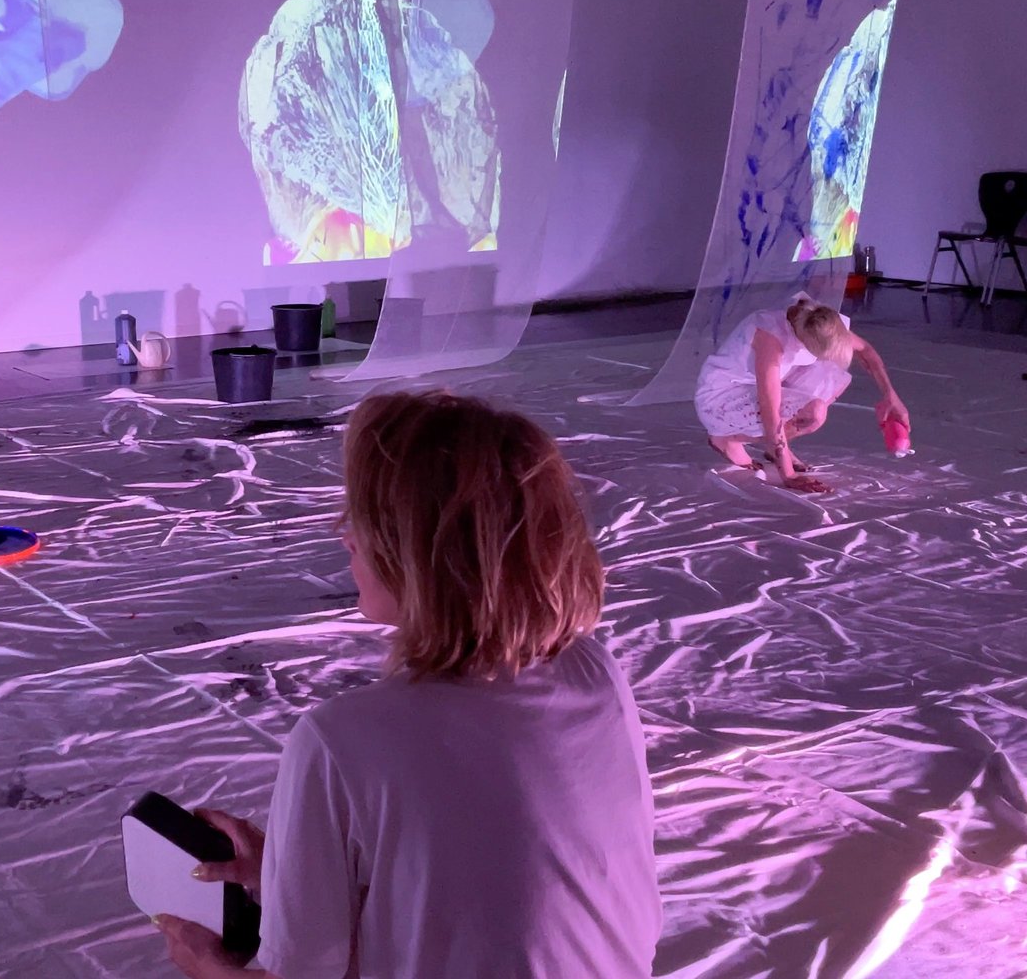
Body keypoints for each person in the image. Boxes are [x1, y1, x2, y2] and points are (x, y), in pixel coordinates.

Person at [158, 390, 661, 979]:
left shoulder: (341, 739)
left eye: (365, 519)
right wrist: (295, 875)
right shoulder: (593, 669)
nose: (344, 534)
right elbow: (485, 884)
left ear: (416, 552)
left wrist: (204, 963)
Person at [695, 294, 908, 494]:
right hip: (721, 397)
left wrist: (891, 396)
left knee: (833, 374)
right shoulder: (771, 339)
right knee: (815, 413)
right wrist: (788, 474)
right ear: (804, 342)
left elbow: (866, 351)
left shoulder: (822, 322)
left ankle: (774, 448)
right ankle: (725, 438)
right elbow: (770, 411)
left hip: (760, 384)